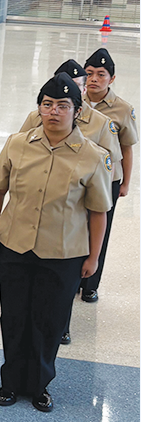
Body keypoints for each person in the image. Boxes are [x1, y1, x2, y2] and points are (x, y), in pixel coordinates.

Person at [0, 73, 111, 412]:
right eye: (47, 104)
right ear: (39, 108)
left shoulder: (92, 156)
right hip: (14, 244)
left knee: (49, 321)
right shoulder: (17, 144)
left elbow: (99, 212)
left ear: (77, 111)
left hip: (63, 253)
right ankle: (10, 382)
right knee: (13, 317)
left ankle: (39, 384)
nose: (54, 111)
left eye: (63, 106)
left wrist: (94, 258)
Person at [18, 58, 120, 340]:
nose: (58, 106)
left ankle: (62, 324)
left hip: (81, 202)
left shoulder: (101, 124)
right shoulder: (35, 119)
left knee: (68, 272)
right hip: (42, 201)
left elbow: (110, 171)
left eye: (74, 90)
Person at [79, 48, 135, 304]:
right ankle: (74, 276)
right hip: (77, 177)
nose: (94, 79)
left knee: (101, 229)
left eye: (101, 75)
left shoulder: (122, 109)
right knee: (76, 228)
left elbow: (126, 147)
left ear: (111, 79)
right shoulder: (73, 102)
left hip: (107, 180)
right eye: (89, 73)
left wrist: (125, 182)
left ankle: (91, 284)